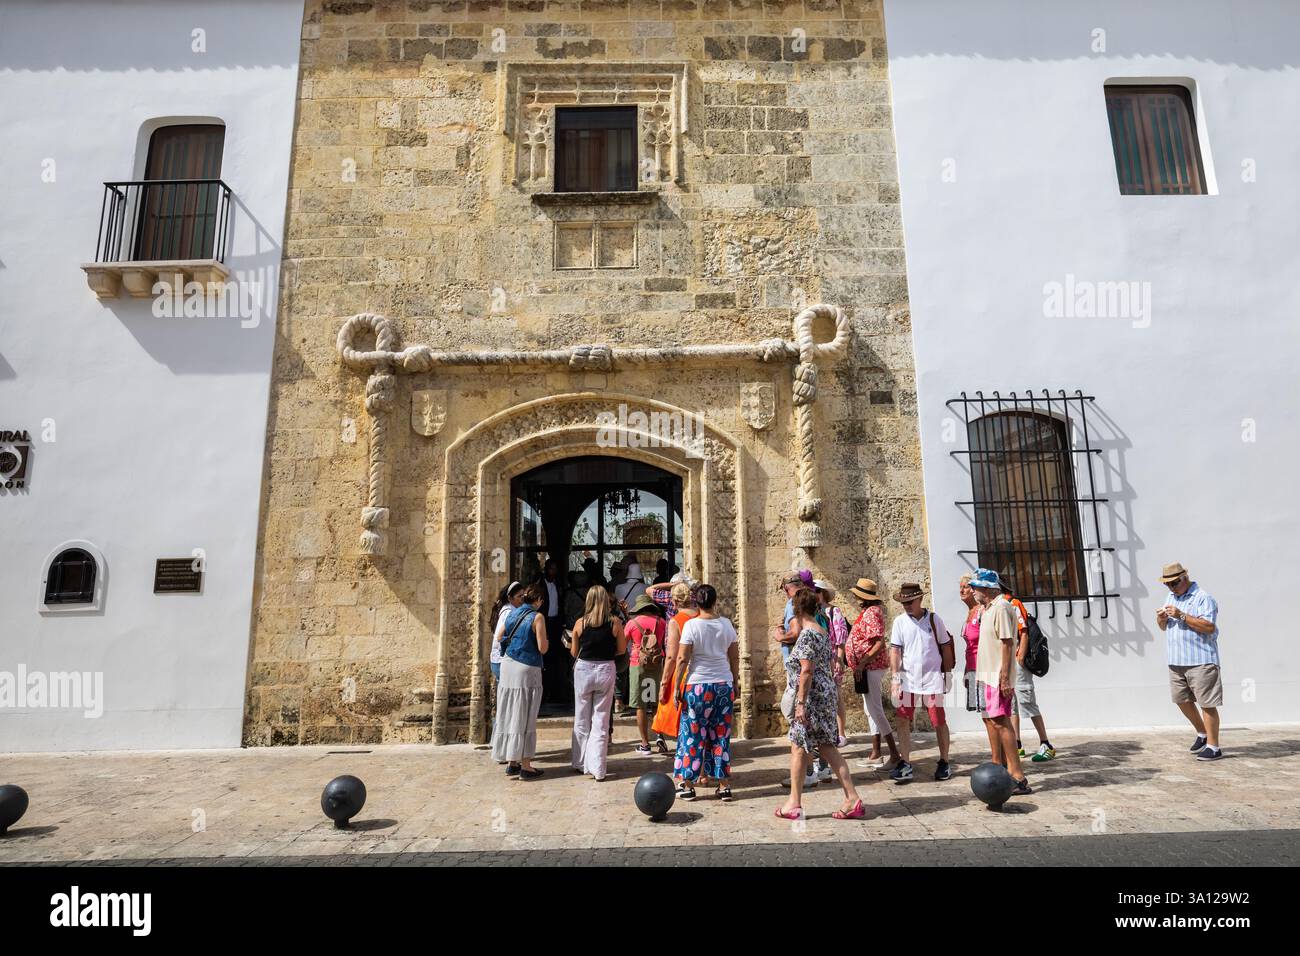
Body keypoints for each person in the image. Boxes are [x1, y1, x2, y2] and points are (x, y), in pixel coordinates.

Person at [776, 587, 865, 820]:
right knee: (826, 747)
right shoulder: (821, 632)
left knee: (798, 746)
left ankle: (794, 803)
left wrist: (801, 703)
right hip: (825, 697)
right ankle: (851, 797)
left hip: (812, 699)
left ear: (797, 610)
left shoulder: (806, 635)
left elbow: (806, 670)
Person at [674, 583, 740, 801]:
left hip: (698, 685)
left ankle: (688, 784)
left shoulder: (691, 626)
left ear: (696, 602)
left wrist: (677, 687)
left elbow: (682, 659)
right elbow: (734, 657)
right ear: (715, 601)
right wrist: (736, 681)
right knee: (721, 735)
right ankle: (723, 786)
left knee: (693, 735)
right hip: (723, 684)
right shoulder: (726, 625)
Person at [969, 568, 1031, 795]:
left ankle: (1018, 776)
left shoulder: (1002, 607)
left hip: (997, 675)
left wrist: (1005, 676)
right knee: (992, 721)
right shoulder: (987, 609)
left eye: (976, 586)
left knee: (1001, 721)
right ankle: (1001, 767)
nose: (973, 590)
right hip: (986, 675)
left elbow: (1007, 643)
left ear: (987, 588)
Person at [886, 583, 953, 783]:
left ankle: (944, 761)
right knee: (903, 719)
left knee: (938, 720)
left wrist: (947, 674)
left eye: (910, 602)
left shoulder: (934, 620)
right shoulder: (899, 622)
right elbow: (895, 651)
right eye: (904, 602)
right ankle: (905, 763)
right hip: (908, 680)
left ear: (920, 600)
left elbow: (946, 646)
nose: (907, 605)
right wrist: (895, 678)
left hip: (932, 679)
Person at [1157, 562, 1223, 761]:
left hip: (1201, 660)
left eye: (1174, 583)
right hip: (1176, 661)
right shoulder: (1171, 597)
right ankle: (1202, 734)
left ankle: (1214, 747)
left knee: (1207, 704)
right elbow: (1163, 628)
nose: (1171, 588)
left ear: (1185, 577)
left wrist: (1182, 615)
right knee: (1181, 700)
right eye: (1168, 585)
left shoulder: (1203, 598)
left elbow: (1209, 627)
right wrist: (1161, 619)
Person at [774, 569, 830, 789]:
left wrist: (779, 635)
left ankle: (809, 769)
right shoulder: (818, 608)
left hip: (801, 672)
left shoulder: (795, 606)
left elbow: (795, 634)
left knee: (794, 715)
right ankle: (820, 768)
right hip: (819, 674)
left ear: (789, 588)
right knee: (809, 724)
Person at [491, 582, 549, 779]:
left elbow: (499, 637)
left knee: (510, 712)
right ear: (539, 600)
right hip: (527, 668)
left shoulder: (511, 613)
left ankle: (511, 762)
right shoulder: (537, 617)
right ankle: (526, 765)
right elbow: (542, 648)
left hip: (508, 666)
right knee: (525, 714)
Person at [569, 585, 626, 781]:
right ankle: (598, 768)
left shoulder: (580, 623)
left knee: (581, 717)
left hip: (584, 669)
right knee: (601, 720)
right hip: (605, 669)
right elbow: (621, 649)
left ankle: (580, 762)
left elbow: (574, 652)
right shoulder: (615, 623)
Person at [845, 577, 901, 770]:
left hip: (870, 667)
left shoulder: (872, 613)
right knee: (871, 710)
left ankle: (894, 754)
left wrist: (862, 663)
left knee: (876, 710)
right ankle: (876, 753)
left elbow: (878, 643)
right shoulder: (868, 612)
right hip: (867, 668)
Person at [1004, 585, 1056, 763]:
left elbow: (1023, 630)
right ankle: (1016, 744)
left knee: (1027, 701)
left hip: (1018, 663)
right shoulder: (999, 605)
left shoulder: (1013, 603)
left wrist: (1020, 657)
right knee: (1012, 704)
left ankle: (1046, 743)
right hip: (1008, 662)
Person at [654, 581, 698, 757]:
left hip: (683, 671)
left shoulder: (676, 621)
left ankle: (685, 752)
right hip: (702, 668)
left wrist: (664, 682)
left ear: (674, 601)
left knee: (681, 714)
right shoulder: (701, 616)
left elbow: (672, 657)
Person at [625, 593, 667, 755]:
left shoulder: (632, 623)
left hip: (638, 664)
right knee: (656, 702)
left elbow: (623, 642)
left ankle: (645, 744)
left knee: (641, 705)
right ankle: (659, 735)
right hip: (656, 663)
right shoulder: (661, 622)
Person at [814, 579, 850, 748]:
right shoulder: (813, 612)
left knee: (836, 696)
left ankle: (841, 733)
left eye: (817, 591)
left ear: (823, 593)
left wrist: (840, 659)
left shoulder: (834, 611)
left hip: (833, 657)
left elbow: (841, 637)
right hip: (820, 660)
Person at [536, 559, 567, 704]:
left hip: (555, 623)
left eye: (555, 569)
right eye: (551, 569)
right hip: (544, 621)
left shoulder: (557, 584)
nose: (553, 572)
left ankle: (556, 691)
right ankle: (545, 692)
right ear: (546, 569)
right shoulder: (540, 585)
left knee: (555, 657)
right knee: (545, 658)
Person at [490, 581, 524, 683]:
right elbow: (499, 637)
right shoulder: (509, 612)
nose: (522, 599)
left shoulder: (512, 610)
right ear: (510, 598)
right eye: (519, 596)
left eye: (523, 595)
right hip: (501, 661)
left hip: (502, 660)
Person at [958, 573, 982, 714]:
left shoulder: (981, 611)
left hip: (983, 671)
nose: (961, 591)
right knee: (982, 714)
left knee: (990, 715)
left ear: (973, 590)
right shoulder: (969, 613)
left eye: (965, 587)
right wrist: (967, 671)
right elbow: (970, 647)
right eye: (960, 587)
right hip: (972, 670)